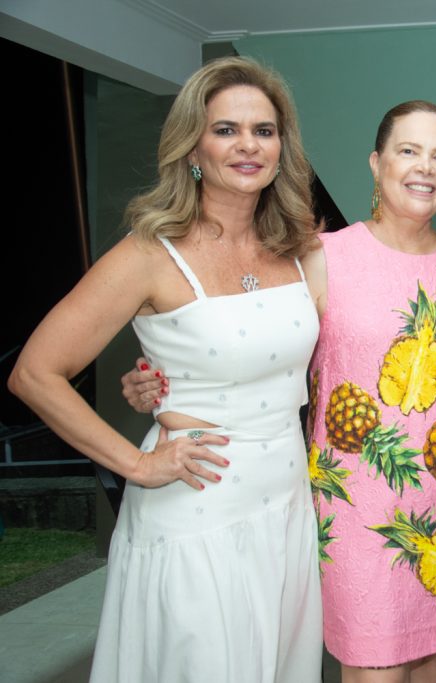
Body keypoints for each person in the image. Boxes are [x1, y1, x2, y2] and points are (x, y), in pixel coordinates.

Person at [124, 100, 436, 682]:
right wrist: (164, 380)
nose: (425, 168)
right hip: (358, 512)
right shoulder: (320, 258)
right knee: (375, 669)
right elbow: (252, 347)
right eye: (408, 151)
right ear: (376, 164)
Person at [9, 56, 324, 681]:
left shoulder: (300, 248)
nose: (247, 146)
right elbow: (34, 372)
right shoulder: (149, 252)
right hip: (195, 508)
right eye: (226, 130)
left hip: (287, 505)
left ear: (281, 148)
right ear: (192, 148)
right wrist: (136, 464)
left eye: (263, 131)